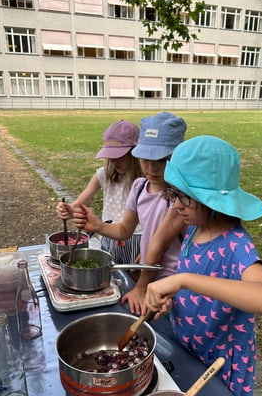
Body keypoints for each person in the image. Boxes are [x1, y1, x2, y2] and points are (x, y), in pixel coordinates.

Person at [144, 136, 262, 396]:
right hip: (189, 347)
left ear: (211, 200)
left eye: (184, 196)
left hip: (219, 364)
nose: (176, 205)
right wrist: (174, 297)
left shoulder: (236, 245)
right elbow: (197, 285)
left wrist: (183, 280)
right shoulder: (195, 226)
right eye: (173, 193)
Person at [74, 112, 187, 312]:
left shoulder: (179, 198)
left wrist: (141, 288)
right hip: (148, 277)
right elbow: (125, 230)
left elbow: (158, 244)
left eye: (161, 160)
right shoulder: (139, 187)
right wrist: (98, 226)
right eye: (145, 158)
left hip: (172, 284)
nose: (151, 168)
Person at [56, 120, 142, 263]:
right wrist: (67, 210)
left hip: (136, 240)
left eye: (119, 156)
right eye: (110, 156)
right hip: (107, 236)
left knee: (131, 282)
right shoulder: (103, 175)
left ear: (135, 152)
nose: (114, 161)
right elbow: (76, 206)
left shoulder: (145, 181)